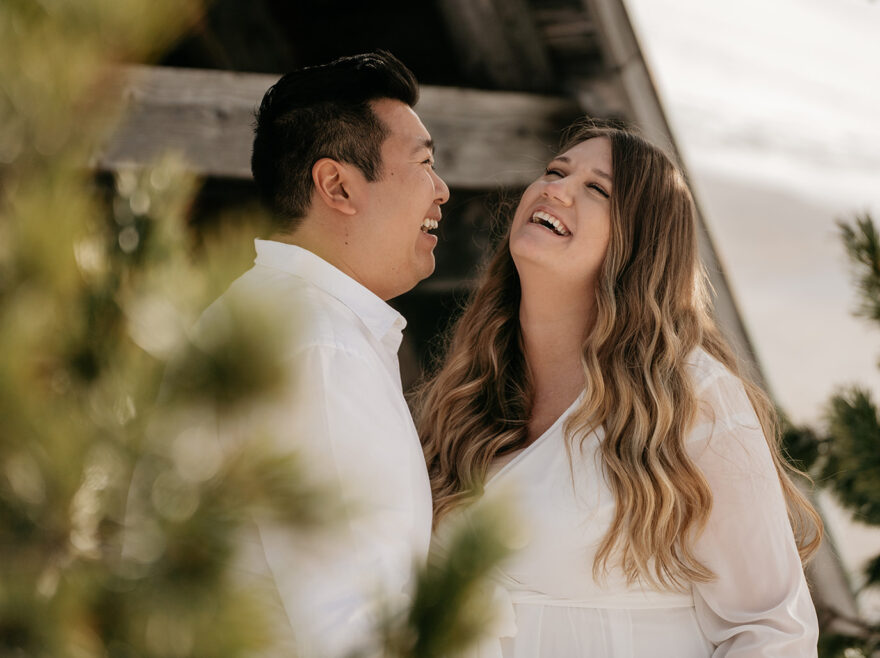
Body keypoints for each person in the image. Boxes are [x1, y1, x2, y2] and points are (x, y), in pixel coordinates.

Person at [417, 121, 823, 656]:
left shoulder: (690, 397)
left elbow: (773, 629)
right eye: (555, 171)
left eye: (597, 189)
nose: (556, 189)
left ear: (640, 243)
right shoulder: (471, 385)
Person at [197, 51, 449, 656]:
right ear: (337, 185)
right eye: (424, 163)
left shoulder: (267, 319)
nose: (441, 191)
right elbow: (357, 626)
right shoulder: (323, 350)